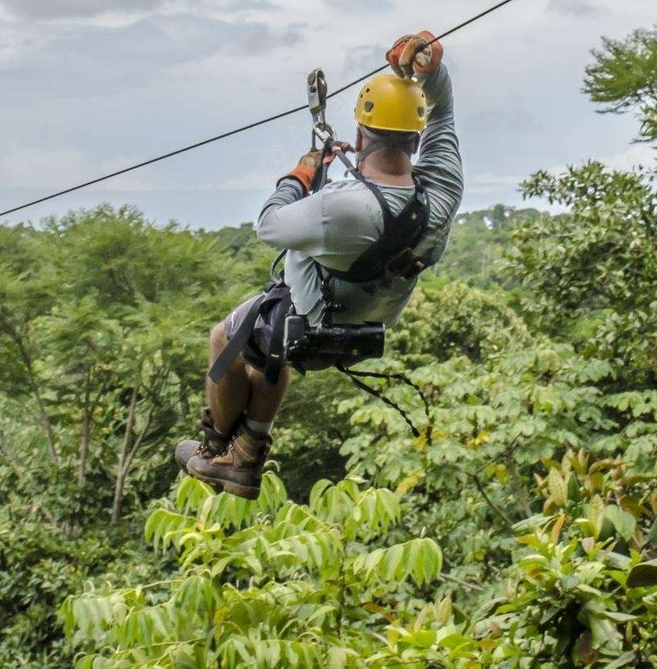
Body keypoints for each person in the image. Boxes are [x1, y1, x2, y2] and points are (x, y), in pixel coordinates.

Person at [174, 31, 463, 498]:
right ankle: (247, 454)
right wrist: (432, 72)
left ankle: (216, 453)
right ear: (416, 138)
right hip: (371, 320)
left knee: (225, 336)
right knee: (268, 352)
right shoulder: (442, 192)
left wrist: (302, 174)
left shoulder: (339, 209)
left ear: (359, 135)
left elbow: (270, 225)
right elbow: (443, 113)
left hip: (316, 317)